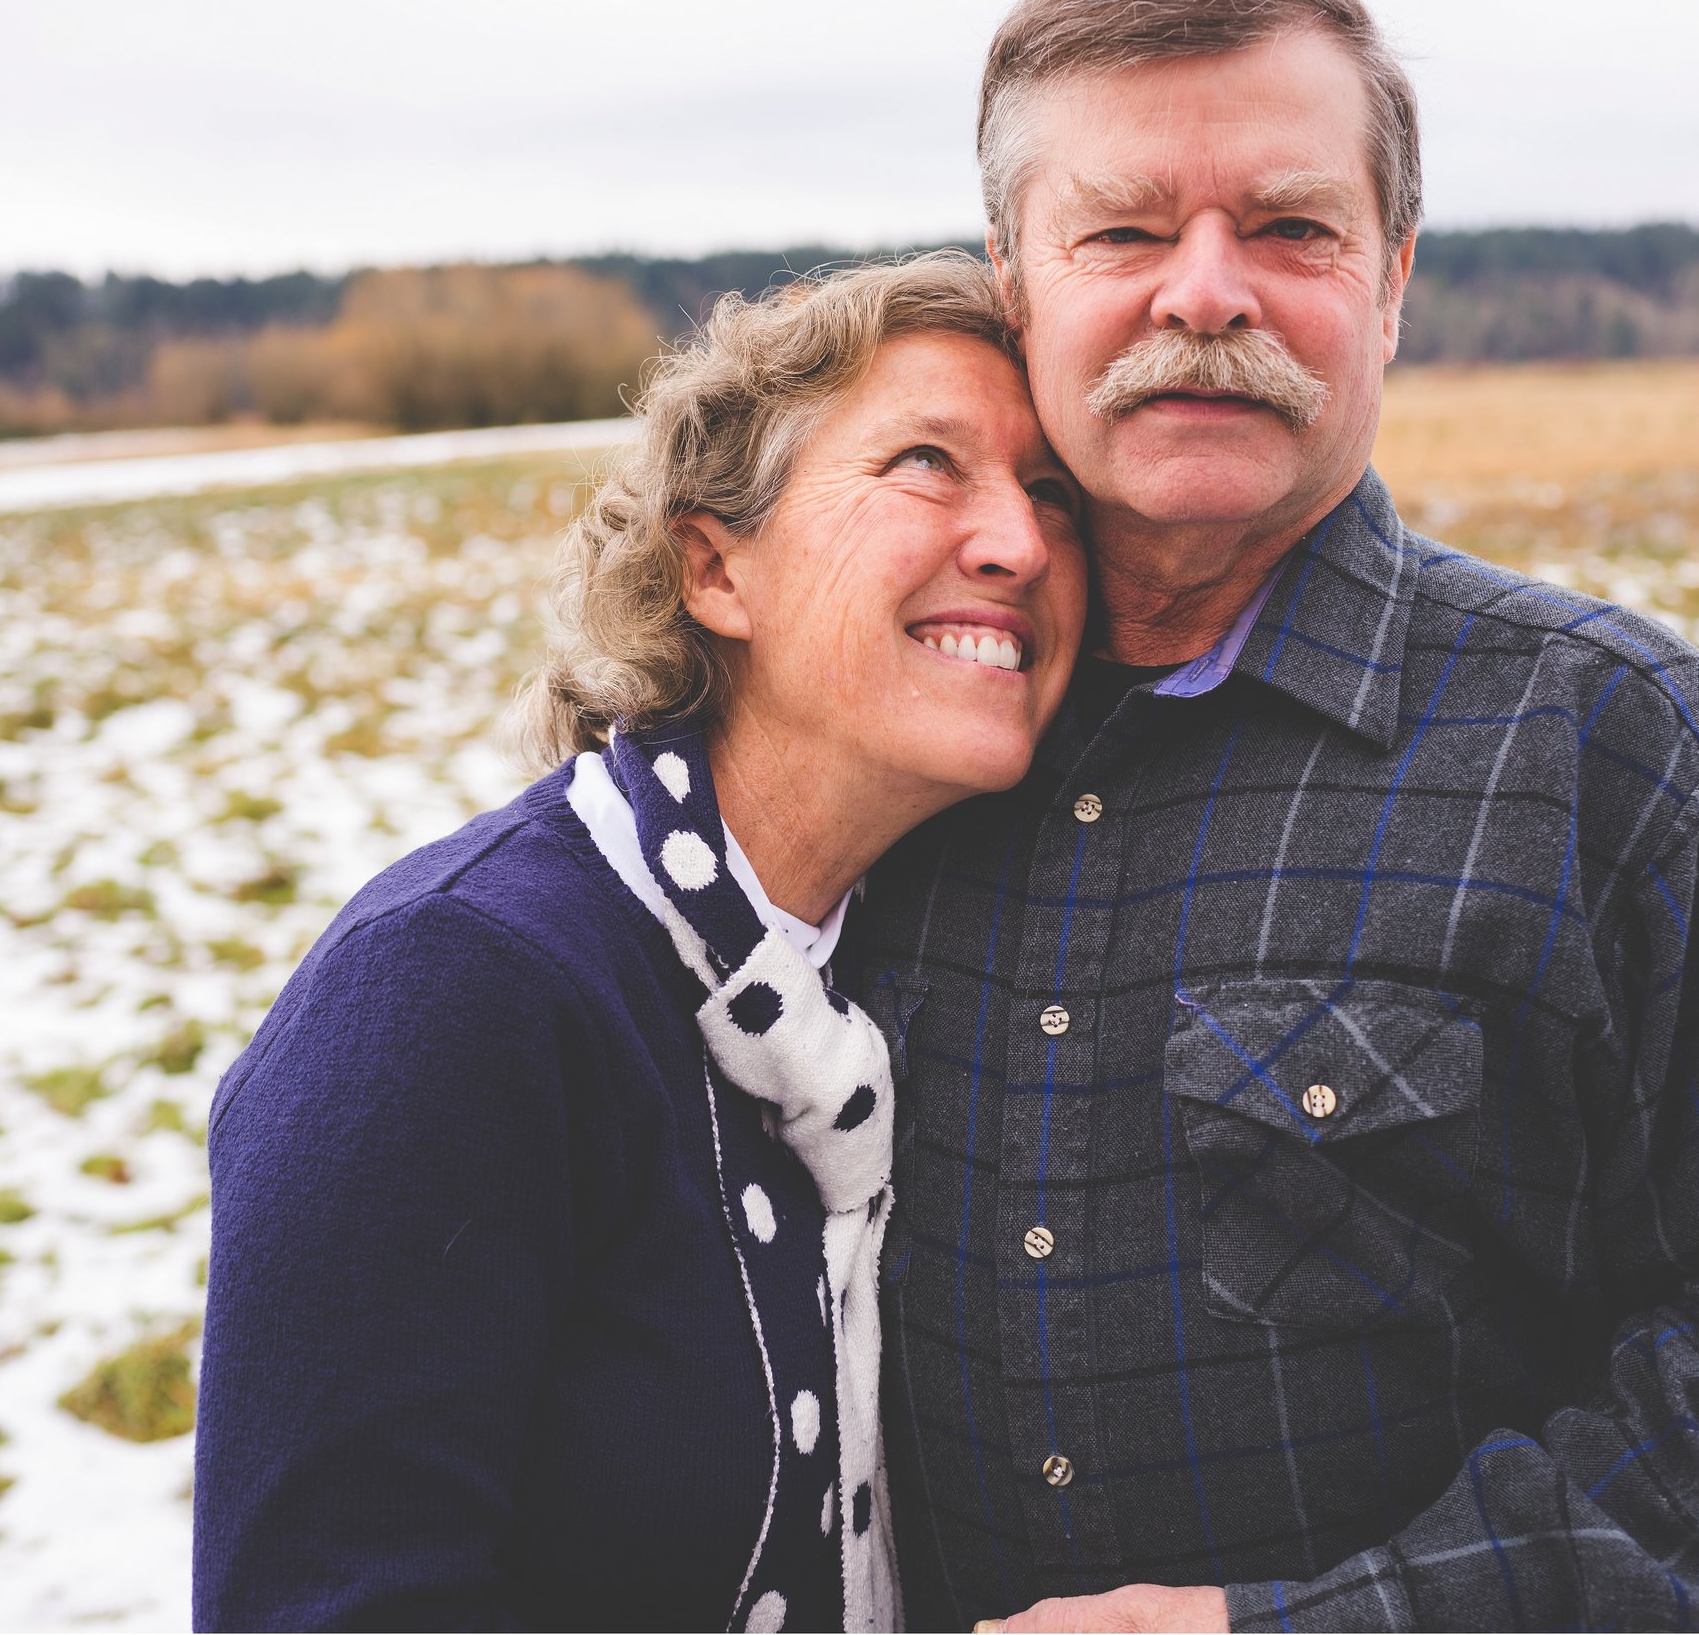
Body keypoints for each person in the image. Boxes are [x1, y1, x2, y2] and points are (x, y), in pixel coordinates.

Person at [860, 0, 1699, 1632]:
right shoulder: (883, 742)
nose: (1206, 293)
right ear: (1015, 280)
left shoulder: (1620, 754)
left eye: (1292, 227)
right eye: (1123, 233)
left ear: (1394, 283)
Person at [192, 252, 1087, 1632]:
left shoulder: (915, 959)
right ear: (716, 564)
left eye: (1051, 495)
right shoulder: (455, 989)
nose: (1020, 543)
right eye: (927, 462)